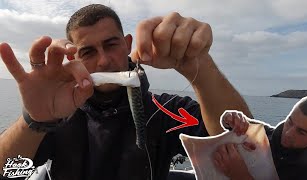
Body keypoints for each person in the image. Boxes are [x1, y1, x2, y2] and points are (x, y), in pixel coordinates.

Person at [0, 4, 252, 180]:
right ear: (73, 57)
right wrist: (33, 121)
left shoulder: (166, 110)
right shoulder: (57, 116)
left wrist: (200, 66)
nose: (103, 61)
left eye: (111, 45)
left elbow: (242, 143)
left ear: (128, 44)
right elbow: (9, 172)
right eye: (88, 52)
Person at [213, 93, 307, 180]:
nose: (288, 133)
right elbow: (231, 125)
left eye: (301, 132)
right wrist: (230, 118)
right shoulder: (263, 132)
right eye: (290, 122)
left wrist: (241, 176)